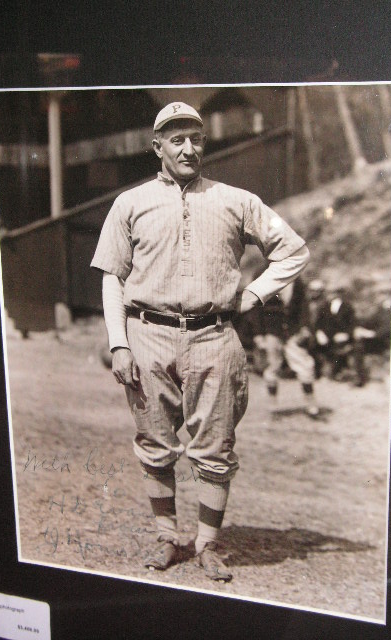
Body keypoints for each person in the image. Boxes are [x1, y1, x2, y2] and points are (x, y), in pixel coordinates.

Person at [90, 101, 309, 582]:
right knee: (154, 442)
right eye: (177, 140)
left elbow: (293, 251)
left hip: (214, 336)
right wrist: (119, 343)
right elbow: (112, 277)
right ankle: (167, 536)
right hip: (147, 335)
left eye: (195, 138)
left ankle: (208, 544)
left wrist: (253, 294)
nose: (188, 148)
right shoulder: (130, 203)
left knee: (215, 446)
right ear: (158, 147)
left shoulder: (236, 200)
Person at [251, 276, 320, 417]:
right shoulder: (263, 275)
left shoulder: (296, 278)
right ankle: (273, 405)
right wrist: (258, 333)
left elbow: (303, 306)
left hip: (293, 330)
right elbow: (256, 308)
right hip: (271, 330)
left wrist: (305, 327)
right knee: (272, 366)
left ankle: (311, 404)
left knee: (304, 365)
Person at [314, 285, 367, 386]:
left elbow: (353, 324)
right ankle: (319, 373)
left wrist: (346, 334)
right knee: (314, 345)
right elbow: (318, 324)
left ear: (340, 294)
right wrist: (320, 333)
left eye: (334, 293)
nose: (331, 295)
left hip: (343, 337)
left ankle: (351, 375)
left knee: (352, 349)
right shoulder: (324, 306)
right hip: (327, 337)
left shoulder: (348, 307)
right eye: (330, 293)